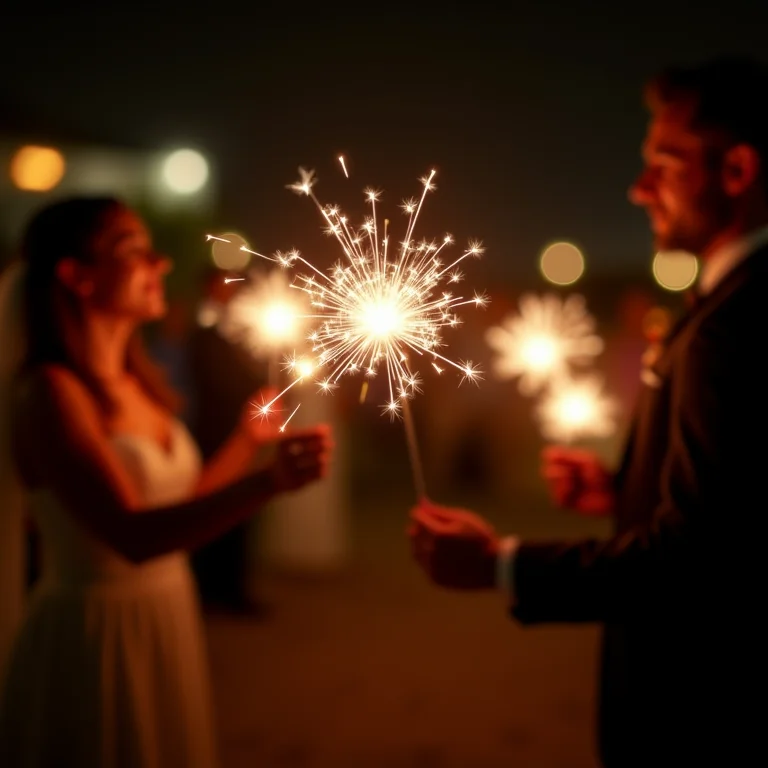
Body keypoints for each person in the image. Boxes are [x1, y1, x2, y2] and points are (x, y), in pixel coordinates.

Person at [409, 55, 768, 768]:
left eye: (663, 165)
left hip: (698, 706)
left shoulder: (735, 325)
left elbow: (692, 562)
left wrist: (500, 564)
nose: (638, 190)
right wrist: (628, 488)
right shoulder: (728, 304)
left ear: (736, 172)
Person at [0, 197, 332, 768]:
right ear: (76, 275)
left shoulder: (134, 381)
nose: (163, 264)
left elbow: (180, 505)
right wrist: (270, 483)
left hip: (163, 610)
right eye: (136, 251)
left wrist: (246, 443)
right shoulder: (52, 394)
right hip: (94, 629)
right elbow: (134, 536)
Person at [188, 267, 271, 615]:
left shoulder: (240, 335)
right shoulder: (204, 337)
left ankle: (233, 588)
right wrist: (254, 392)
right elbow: (219, 384)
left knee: (240, 512)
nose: (232, 292)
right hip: (216, 433)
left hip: (241, 433)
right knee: (214, 508)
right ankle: (211, 589)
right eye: (225, 285)